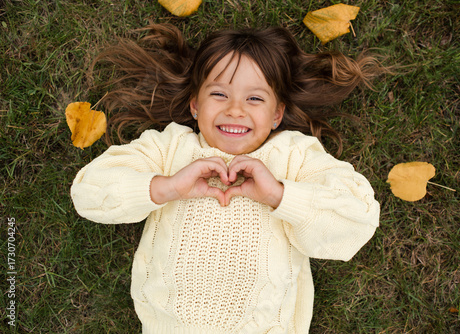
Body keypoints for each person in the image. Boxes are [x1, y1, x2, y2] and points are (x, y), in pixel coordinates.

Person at [71, 23, 381, 333]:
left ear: (277, 114)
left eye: (255, 99)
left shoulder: (295, 156)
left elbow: (358, 221)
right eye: (219, 94)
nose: (235, 110)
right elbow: (88, 191)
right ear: (195, 105)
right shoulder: (169, 148)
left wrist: (280, 195)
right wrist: (167, 187)